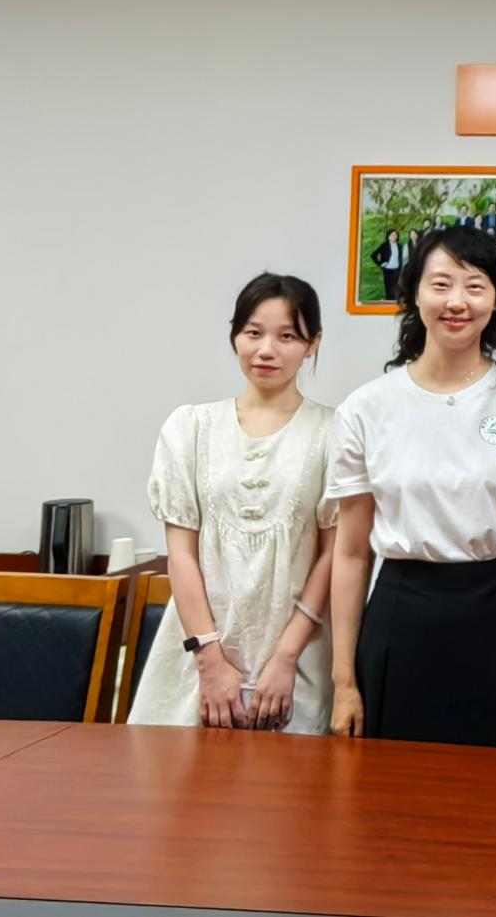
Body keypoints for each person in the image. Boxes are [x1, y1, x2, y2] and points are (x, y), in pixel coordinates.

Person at [325, 224, 496, 750]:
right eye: (441, 284)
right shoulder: (366, 408)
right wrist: (344, 680)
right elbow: (350, 553)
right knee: (394, 787)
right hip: (402, 614)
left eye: (475, 286)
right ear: (414, 293)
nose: (457, 302)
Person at [129, 273, 336, 733]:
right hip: (197, 654)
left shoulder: (333, 433)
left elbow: (332, 556)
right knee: (175, 776)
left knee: (292, 777)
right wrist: (209, 660)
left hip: (295, 660)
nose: (266, 350)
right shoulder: (190, 428)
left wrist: (286, 657)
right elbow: (181, 554)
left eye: (288, 336)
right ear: (235, 336)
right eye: (253, 332)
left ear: (313, 344)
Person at [370, 228, 406, 302]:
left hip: (397, 269)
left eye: (395, 235)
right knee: (388, 286)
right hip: (387, 269)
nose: (394, 236)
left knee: (396, 286)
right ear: (388, 236)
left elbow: (402, 257)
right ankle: (388, 300)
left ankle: (396, 300)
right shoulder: (384, 245)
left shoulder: (399, 245)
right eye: (392, 235)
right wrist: (380, 264)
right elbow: (373, 255)